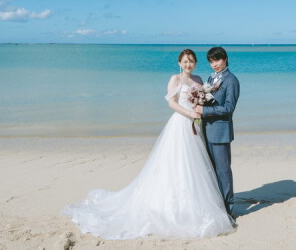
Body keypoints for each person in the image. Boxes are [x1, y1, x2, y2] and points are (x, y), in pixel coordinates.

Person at [62, 49, 235, 239]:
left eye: (192, 61)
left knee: (197, 165)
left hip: (196, 127)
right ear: (179, 62)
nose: (188, 64)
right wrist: (191, 113)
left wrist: (200, 111)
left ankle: (208, 203)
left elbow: (206, 102)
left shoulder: (200, 79)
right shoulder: (174, 79)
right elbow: (172, 103)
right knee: (175, 163)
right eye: (185, 61)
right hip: (180, 124)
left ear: (195, 63)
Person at [195, 46, 240, 217]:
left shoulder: (232, 80)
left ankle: (228, 208)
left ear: (225, 59)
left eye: (218, 60)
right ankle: (216, 204)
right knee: (211, 170)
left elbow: (229, 107)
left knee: (223, 170)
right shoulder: (210, 78)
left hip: (221, 132)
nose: (215, 64)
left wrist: (204, 111)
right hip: (207, 129)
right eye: (212, 61)